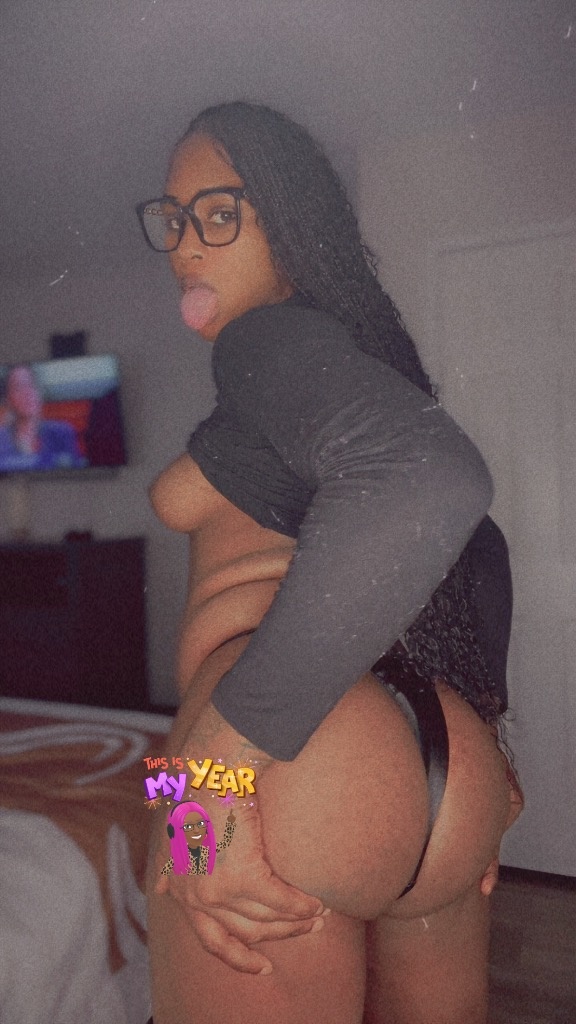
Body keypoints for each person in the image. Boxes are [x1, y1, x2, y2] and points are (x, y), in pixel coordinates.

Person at [138, 102, 523, 1024]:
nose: (186, 245)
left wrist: (202, 773)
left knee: (166, 808)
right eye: (173, 218)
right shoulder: (346, 360)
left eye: (219, 214)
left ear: (293, 224)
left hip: (266, 765)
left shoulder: (261, 339)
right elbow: (477, 544)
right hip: (443, 763)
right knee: (154, 785)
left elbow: (432, 481)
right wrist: (489, 737)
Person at [0, 365, 84, 471]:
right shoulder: (2, 438)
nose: (27, 393)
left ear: (39, 392)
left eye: (31, 384)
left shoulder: (62, 432)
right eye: (18, 387)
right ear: (8, 399)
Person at [161, 802, 236, 876]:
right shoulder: (177, 859)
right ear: (174, 832)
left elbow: (225, 843)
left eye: (201, 824)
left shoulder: (208, 851)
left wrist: (230, 824)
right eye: (188, 826)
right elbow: (163, 875)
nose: (196, 830)